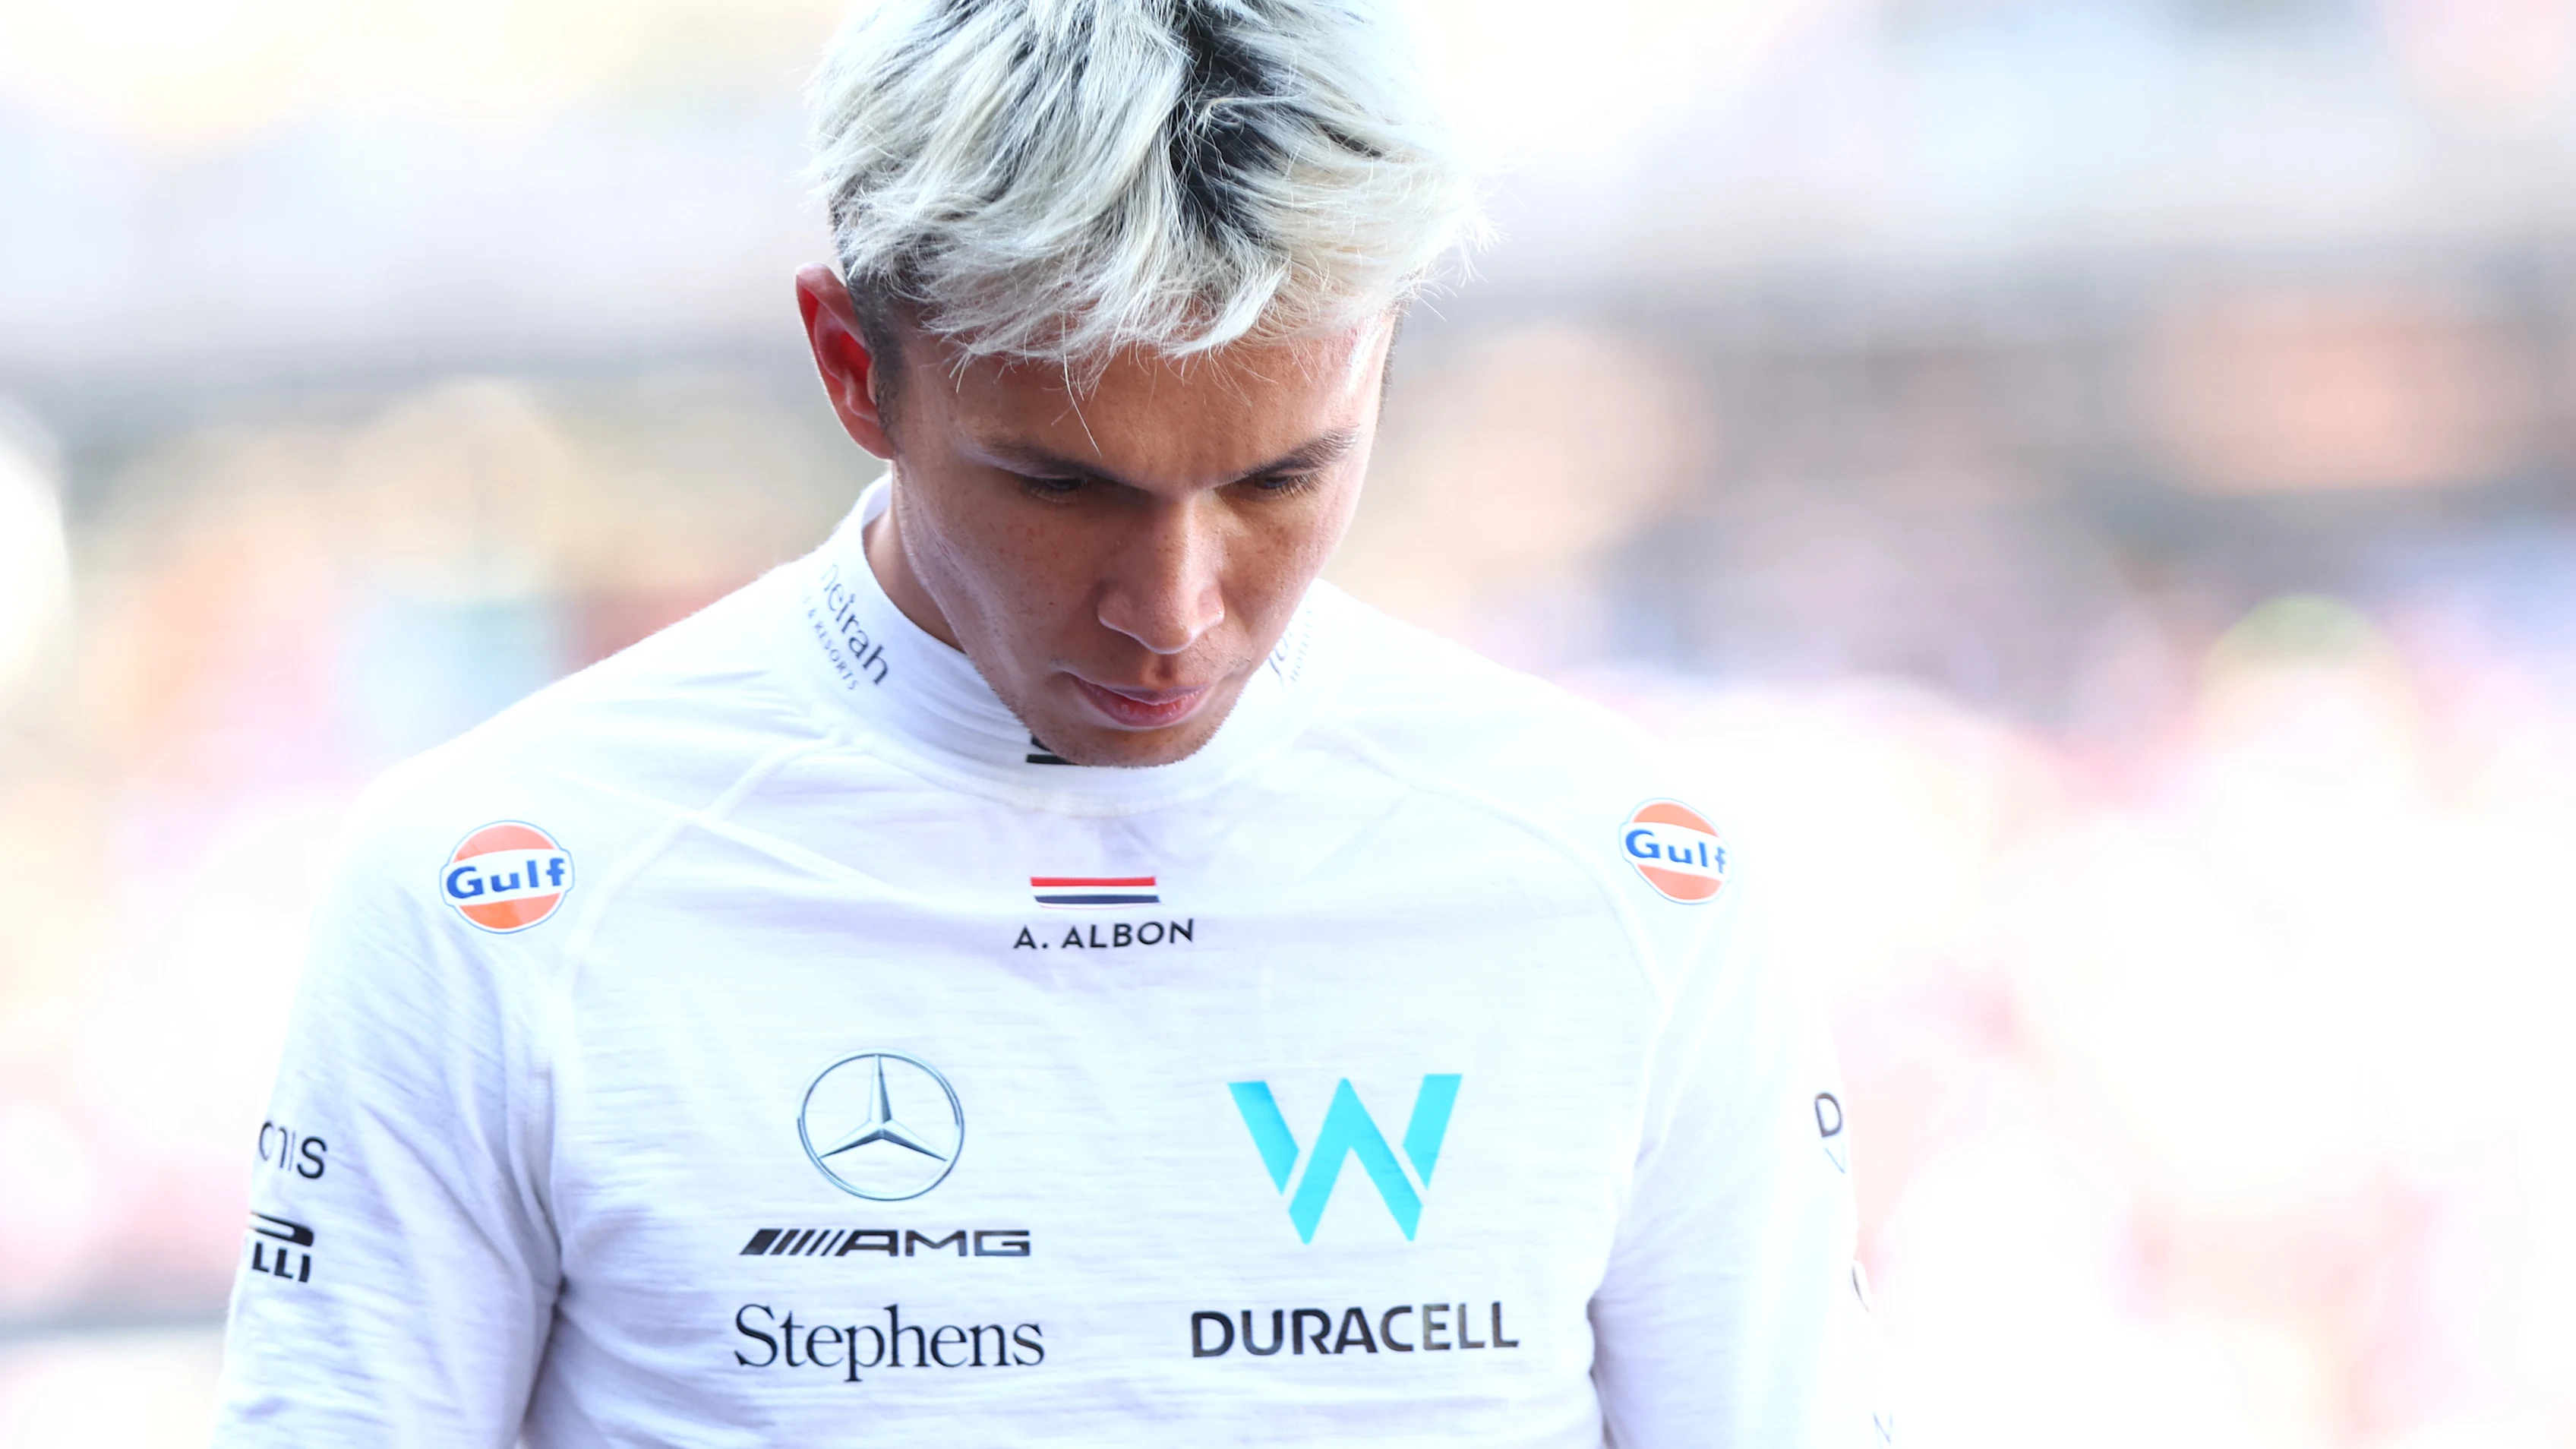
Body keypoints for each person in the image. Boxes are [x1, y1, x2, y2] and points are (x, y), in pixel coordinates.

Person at [213, 1, 1886, 1443]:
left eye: (1280, 476)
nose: (1172, 607)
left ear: (1377, 362)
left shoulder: (1628, 877)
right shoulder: (496, 889)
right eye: (1062, 484)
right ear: (854, 364)